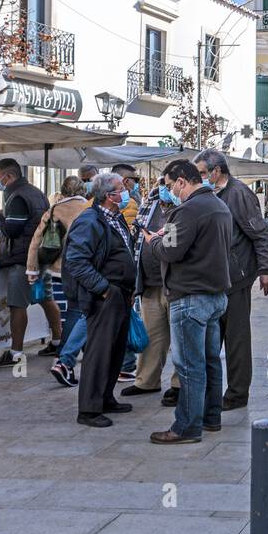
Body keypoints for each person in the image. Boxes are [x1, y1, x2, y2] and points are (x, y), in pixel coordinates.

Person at [148, 159, 232, 444]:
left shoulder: (187, 210)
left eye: (171, 186)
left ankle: (186, 427)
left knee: (188, 366)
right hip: (215, 296)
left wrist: (153, 242)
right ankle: (211, 417)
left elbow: (169, 251)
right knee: (210, 361)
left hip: (190, 297)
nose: (170, 191)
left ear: (182, 181)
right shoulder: (219, 206)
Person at [195, 148, 268, 411]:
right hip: (213, 278)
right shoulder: (210, 194)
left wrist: (265, 270)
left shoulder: (239, 194)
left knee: (236, 338)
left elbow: (260, 233)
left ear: (217, 171)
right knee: (211, 338)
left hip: (236, 278)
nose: (200, 177)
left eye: (203, 173)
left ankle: (237, 394)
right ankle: (209, 391)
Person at [63, 172, 136, 428]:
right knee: (99, 351)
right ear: (108, 195)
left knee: (115, 350)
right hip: (105, 295)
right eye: (120, 189)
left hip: (122, 294)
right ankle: (89, 408)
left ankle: (105, 397)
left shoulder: (115, 217)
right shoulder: (89, 220)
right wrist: (103, 289)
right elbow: (76, 261)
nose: (125, 192)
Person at [0, 158, 49, 368]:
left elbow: (13, 229)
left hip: (22, 257)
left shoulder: (17, 196)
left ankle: (15, 352)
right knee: (45, 298)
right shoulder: (36, 192)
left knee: (17, 304)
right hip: (39, 254)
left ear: (9, 176)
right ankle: (57, 340)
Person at [122, 182, 180, 403]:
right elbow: (136, 238)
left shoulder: (183, 208)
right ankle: (146, 381)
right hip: (149, 283)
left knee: (179, 339)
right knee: (152, 337)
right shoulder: (149, 204)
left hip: (174, 284)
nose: (166, 188)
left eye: (170, 184)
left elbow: (174, 246)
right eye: (163, 183)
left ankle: (179, 384)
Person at [30, 176, 91, 387]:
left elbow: (37, 239)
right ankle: (67, 358)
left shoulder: (55, 209)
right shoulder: (90, 208)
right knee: (82, 313)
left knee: (71, 313)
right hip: (86, 269)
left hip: (58, 269)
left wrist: (32, 268)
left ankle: (65, 357)